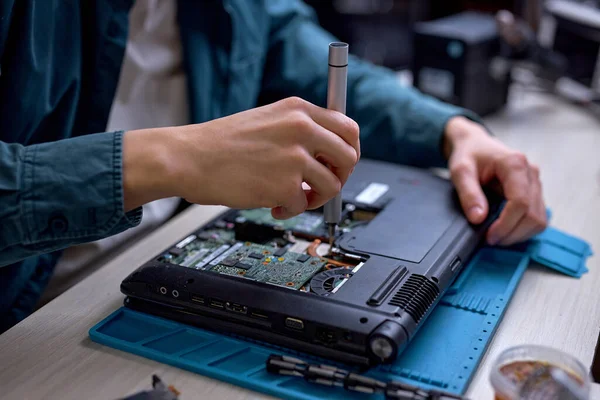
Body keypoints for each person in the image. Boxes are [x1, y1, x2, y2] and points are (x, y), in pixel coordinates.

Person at [0, 0, 547, 333]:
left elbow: (309, 58)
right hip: (32, 317)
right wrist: (166, 159)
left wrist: (453, 131)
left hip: (155, 268)